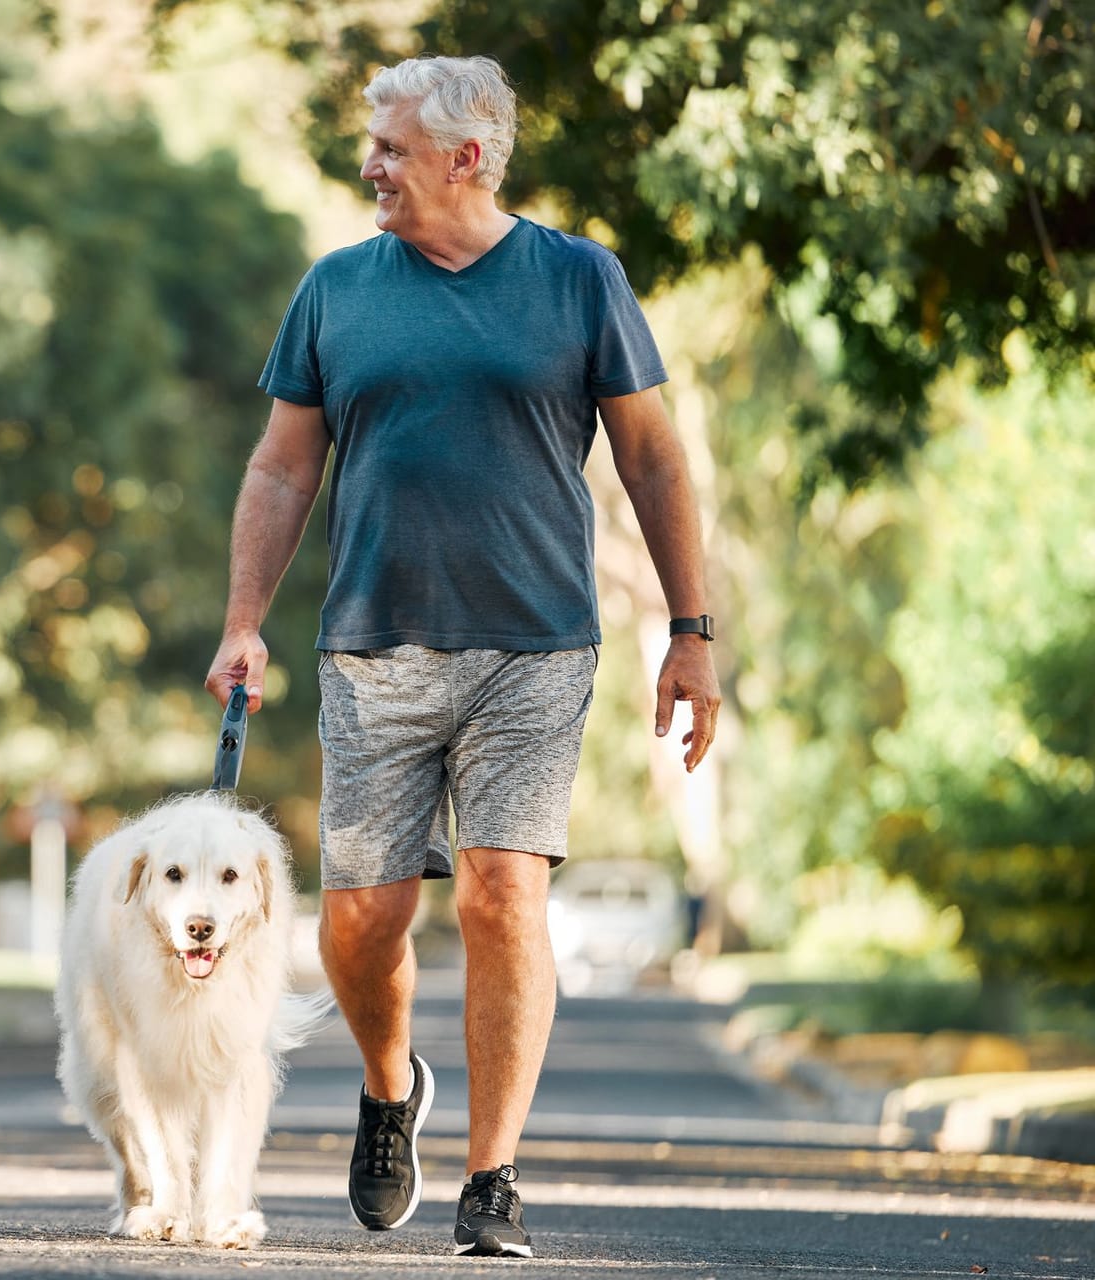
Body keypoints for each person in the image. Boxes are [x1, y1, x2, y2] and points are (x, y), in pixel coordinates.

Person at [203, 55, 720, 1259]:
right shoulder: (336, 289)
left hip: (535, 642)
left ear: (465, 158)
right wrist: (243, 618)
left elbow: (652, 459)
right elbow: (283, 468)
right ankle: (393, 1089)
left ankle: (494, 1175)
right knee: (359, 921)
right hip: (371, 641)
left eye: (388, 145)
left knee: (503, 891)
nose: (369, 163)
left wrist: (691, 631)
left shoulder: (579, 279)